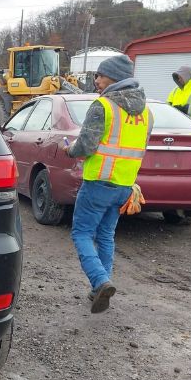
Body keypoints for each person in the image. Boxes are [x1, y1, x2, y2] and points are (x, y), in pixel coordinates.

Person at [62, 54, 153, 314]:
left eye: (100, 75)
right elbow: (140, 147)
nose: (97, 81)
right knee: (105, 236)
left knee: (81, 233)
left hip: (98, 184)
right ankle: (100, 290)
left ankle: (100, 281)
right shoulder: (146, 112)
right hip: (124, 186)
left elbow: (86, 146)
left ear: (114, 77)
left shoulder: (103, 106)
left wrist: (68, 149)